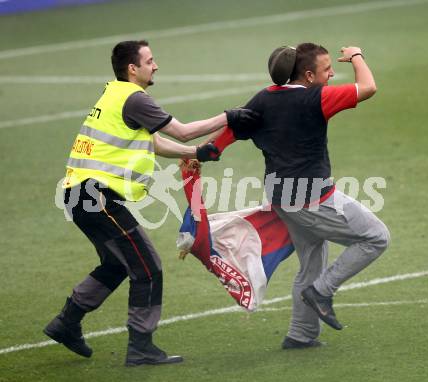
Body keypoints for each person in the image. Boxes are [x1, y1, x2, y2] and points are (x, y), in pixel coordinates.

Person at [43, 39, 258, 366]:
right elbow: (182, 132)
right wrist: (227, 117)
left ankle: (66, 323)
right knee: (148, 267)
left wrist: (198, 154)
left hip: (82, 195)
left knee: (117, 264)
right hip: (95, 196)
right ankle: (141, 346)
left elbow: (154, 142)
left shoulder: (115, 94)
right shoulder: (134, 98)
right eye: (150, 60)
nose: (155, 65)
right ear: (133, 68)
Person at [236, 43, 391, 349]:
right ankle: (322, 291)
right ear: (308, 75)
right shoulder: (316, 97)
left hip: (282, 198)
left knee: (311, 262)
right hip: (313, 199)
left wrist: (203, 152)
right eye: (326, 69)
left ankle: (301, 334)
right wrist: (357, 55)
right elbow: (368, 86)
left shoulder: (264, 97)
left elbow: (231, 129)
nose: (332, 73)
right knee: (376, 237)